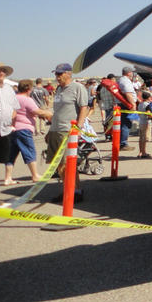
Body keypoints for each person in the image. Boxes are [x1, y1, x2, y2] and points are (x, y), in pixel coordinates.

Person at [49, 63, 90, 202]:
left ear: (68, 74)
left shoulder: (77, 88)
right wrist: (50, 130)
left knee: (68, 164)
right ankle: (68, 190)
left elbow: (84, 108)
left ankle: (76, 191)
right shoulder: (59, 89)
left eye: (60, 74)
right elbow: (57, 111)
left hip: (67, 130)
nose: (57, 77)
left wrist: (78, 127)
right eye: (56, 74)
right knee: (59, 165)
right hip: (56, 129)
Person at [4, 79, 52, 183]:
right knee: (29, 151)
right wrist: (49, 114)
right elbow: (37, 111)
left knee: (11, 154)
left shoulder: (13, 98)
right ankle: (35, 175)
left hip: (12, 129)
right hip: (24, 129)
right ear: (28, 89)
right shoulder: (27, 100)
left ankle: (7, 178)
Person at [0, 62, 20, 186]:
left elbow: (15, 108)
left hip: (4, 131)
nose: (1, 73)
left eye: (3, 71)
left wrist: (10, 119)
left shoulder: (9, 89)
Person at [117, 66, 139, 149]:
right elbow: (128, 93)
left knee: (124, 123)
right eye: (132, 72)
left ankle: (122, 142)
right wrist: (133, 104)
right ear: (129, 73)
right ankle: (123, 143)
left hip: (124, 104)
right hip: (126, 105)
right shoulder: (125, 81)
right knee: (126, 124)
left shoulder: (122, 80)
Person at [136, 89, 152, 158]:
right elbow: (148, 114)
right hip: (146, 122)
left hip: (141, 122)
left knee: (141, 138)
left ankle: (141, 152)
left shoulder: (140, 104)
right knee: (144, 138)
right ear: (148, 98)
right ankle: (143, 152)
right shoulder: (147, 105)